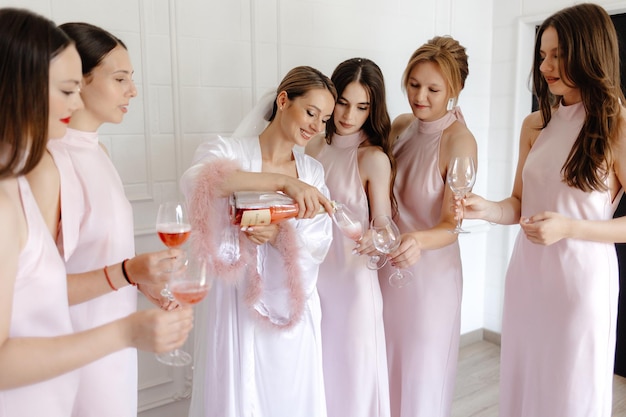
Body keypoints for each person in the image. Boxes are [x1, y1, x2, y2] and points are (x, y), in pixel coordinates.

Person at [0, 7, 193, 417]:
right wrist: (124, 302)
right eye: (120, 79)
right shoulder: (40, 166)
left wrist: (136, 277)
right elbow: (40, 291)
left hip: (102, 343)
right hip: (69, 348)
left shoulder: (96, 153)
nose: (132, 91)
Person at [459, 4, 626, 416]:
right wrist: (484, 209)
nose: (547, 66)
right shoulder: (535, 124)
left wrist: (569, 227)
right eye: (543, 54)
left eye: (558, 54)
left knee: (571, 395)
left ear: (588, 53)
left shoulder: (616, 124)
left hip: (580, 284)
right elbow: (518, 206)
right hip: (528, 277)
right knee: (524, 385)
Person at [180, 66, 336, 417]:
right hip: (234, 299)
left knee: (290, 392)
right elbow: (199, 183)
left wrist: (280, 235)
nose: (316, 126)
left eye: (324, 119)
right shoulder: (227, 150)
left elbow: (318, 241)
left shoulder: (312, 172)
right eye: (311, 112)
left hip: (290, 304)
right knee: (238, 387)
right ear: (284, 100)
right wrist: (281, 184)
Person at [380, 36, 477, 417]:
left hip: (430, 279)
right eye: (414, 84)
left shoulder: (459, 141)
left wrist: (416, 240)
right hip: (389, 271)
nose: (420, 96)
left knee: (422, 379)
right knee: (386, 369)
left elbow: (454, 225)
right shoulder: (402, 126)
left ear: (454, 90)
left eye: (433, 89)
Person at [305, 57, 394, 417]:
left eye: (361, 107)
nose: (348, 115)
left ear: (372, 110)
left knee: (355, 379)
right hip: (316, 282)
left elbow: (386, 223)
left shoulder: (373, 158)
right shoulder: (313, 148)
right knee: (321, 377)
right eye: (342, 102)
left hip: (355, 286)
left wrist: (380, 236)